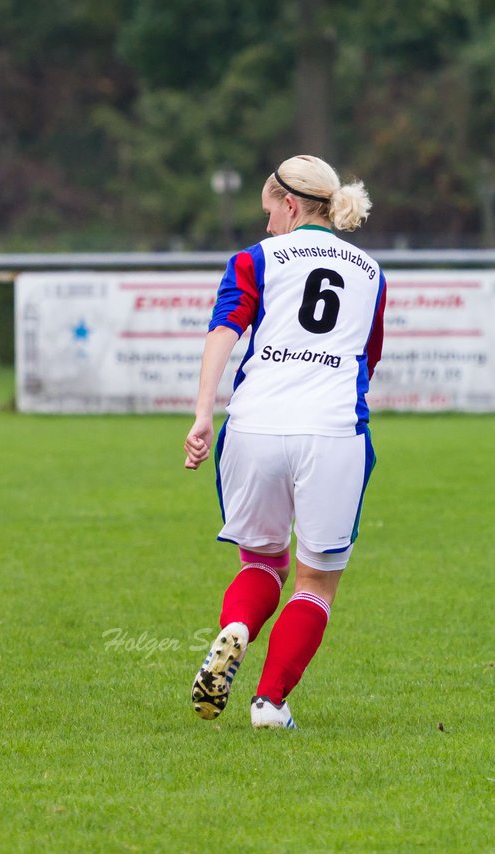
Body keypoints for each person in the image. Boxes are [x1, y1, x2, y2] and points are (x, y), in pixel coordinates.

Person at [183, 154, 386, 729]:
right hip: (331, 432)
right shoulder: (370, 272)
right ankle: (270, 704)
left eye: (270, 211)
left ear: (291, 205)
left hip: (253, 428)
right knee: (316, 580)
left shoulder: (255, 259)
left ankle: (238, 628)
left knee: (262, 562)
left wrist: (203, 413)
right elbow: (365, 362)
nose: (268, 223)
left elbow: (224, 328)